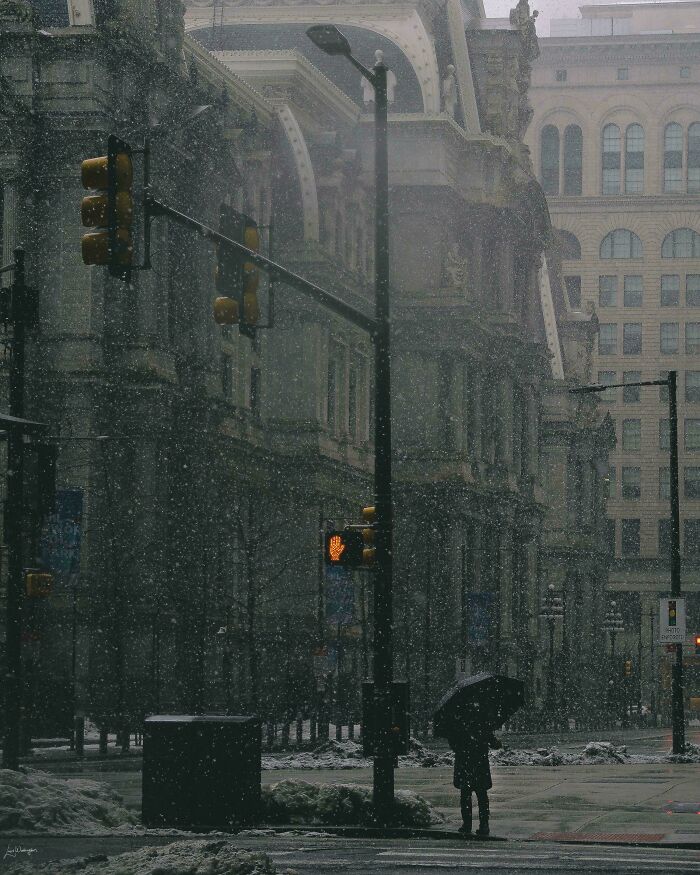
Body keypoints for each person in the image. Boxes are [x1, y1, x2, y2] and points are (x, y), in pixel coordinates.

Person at [447, 724, 502, 836]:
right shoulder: (483, 725)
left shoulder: (458, 726)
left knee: (465, 797)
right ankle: (484, 825)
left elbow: (453, 745)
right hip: (480, 766)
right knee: (482, 797)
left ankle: (467, 824)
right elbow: (495, 744)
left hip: (464, 765)